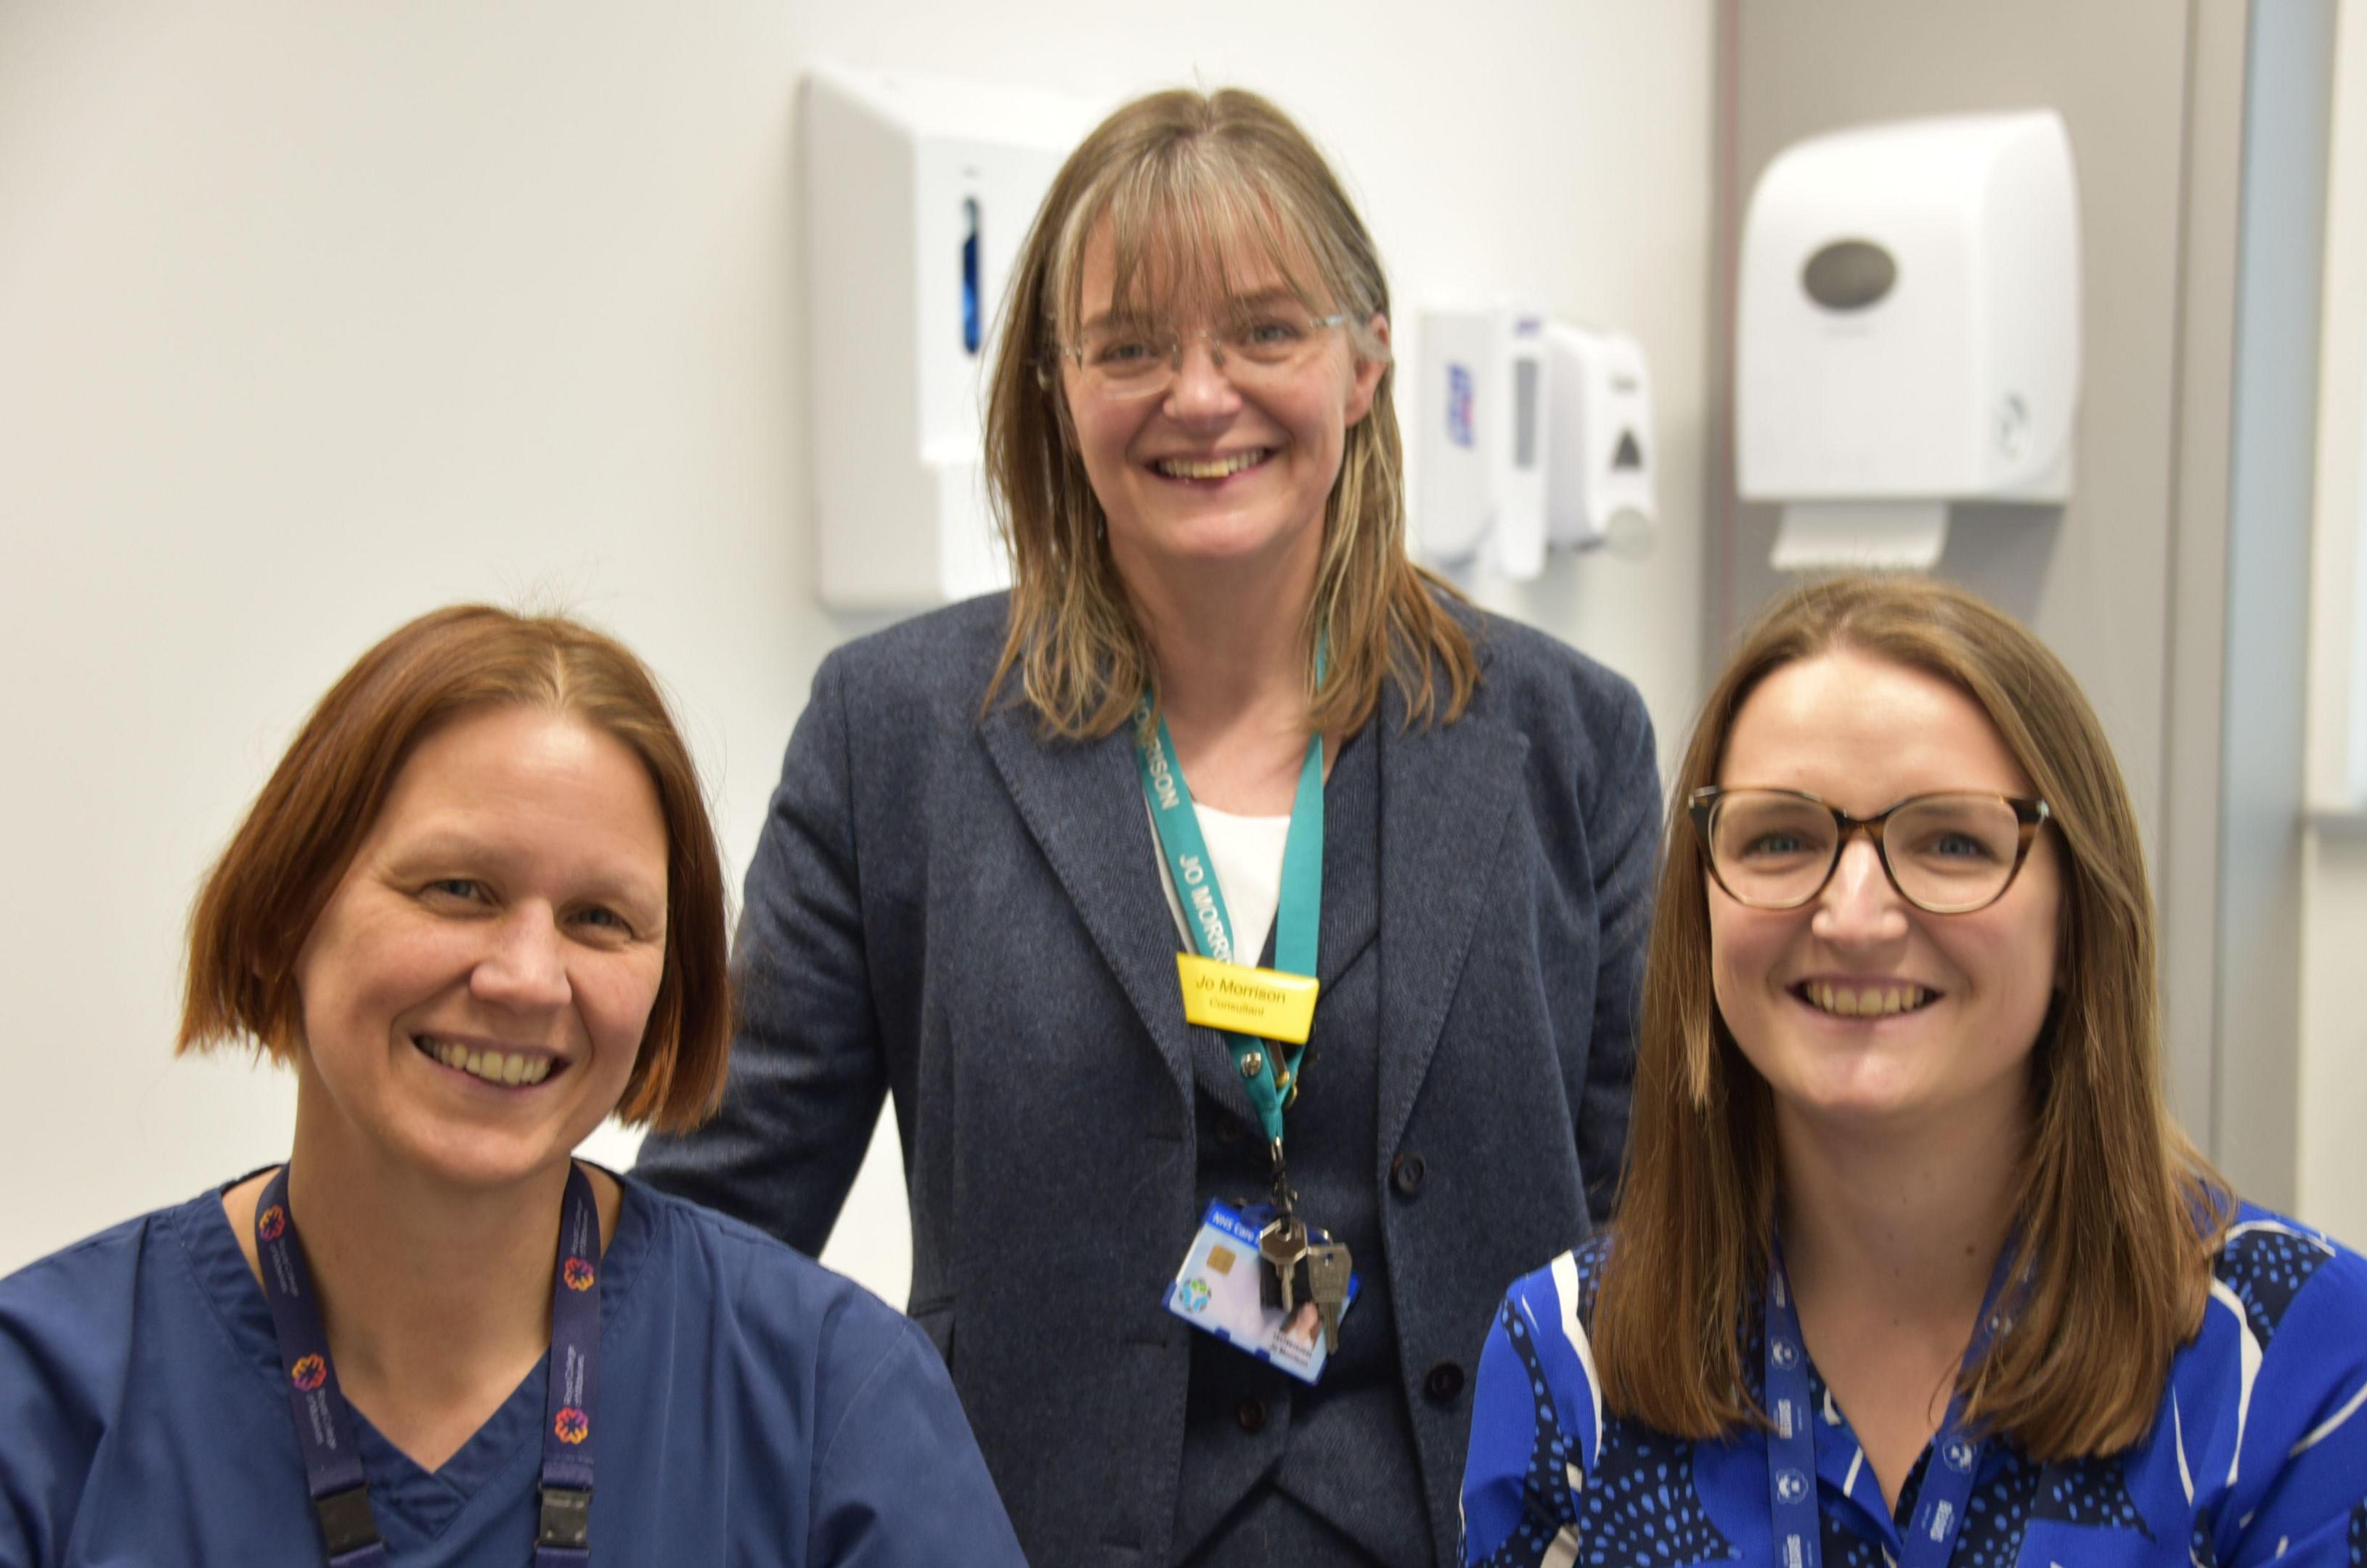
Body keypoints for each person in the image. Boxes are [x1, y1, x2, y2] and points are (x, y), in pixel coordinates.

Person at [632, 86, 1661, 1568]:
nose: (1200, 393)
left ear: (1365, 364)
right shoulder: (900, 738)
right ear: (1053, 389)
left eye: (1264, 330)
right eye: (1129, 346)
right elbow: (719, 1224)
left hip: (1475, 1533)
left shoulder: (1562, 739)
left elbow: (1657, 1231)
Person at [1459, 575, 2367, 1568]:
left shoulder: (2305, 1364)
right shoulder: (1570, 1355)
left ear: (2077, 923)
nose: (1853, 916)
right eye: (1778, 839)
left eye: (1949, 842)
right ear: (1700, 912)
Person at [0, 605, 1023, 1567]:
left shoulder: (829, 1399)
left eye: (599, 920)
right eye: (458, 892)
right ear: (283, 918)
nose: (528, 980)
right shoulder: (44, 1404)